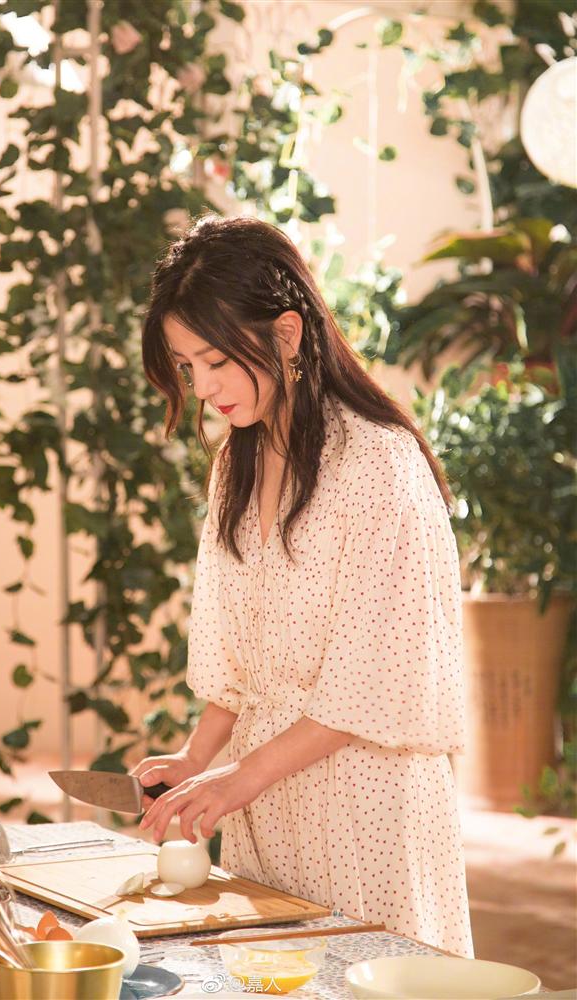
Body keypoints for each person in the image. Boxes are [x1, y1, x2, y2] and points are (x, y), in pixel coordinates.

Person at [134, 214, 473, 957]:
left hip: (364, 806)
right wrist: (196, 758)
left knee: (365, 979)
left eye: (217, 360)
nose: (204, 388)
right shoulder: (237, 464)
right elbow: (236, 658)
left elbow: (366, 686)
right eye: (188, 366)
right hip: (265, 799)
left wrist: (234, 780)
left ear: (287, 334)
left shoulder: (379, 466)